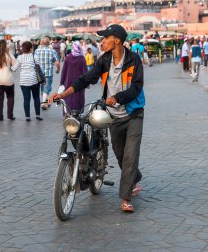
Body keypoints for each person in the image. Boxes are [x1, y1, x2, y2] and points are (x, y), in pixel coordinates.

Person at [49, 24, 145, 213]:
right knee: (120, 154)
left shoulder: (134, 60)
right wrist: (64, 94)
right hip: (113, 116)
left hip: (133, 114)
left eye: (105, 38)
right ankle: (134, 176)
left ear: (116, 40)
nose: (102, 42)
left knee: (130, 155)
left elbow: (136, 87)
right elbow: (86, 79)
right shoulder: (104, 60)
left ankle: (125, 198)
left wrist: (117, 98)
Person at [11, 41, 42, 121]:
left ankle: (27, 117)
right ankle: (38, 115)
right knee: (36, 98)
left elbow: (14, 69)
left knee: (26, 99)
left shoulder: (20, 57)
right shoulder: (34, 56)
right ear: (31, 48)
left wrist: (9, 66)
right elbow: (38, 68)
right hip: (34, 80)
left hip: (24, 82)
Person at [59, 41, 87, 112]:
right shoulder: (82, 58)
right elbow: (85, 72)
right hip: (79, 82)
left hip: (68, 81)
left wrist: (62, 81)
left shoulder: (68, 57)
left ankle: (67, 112)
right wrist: (86, 83)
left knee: (68, 96)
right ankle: (78, 112)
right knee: (78, 97)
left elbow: (64, 71)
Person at [34, 37, 60, 110]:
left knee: (43, 87)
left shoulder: (37, 51)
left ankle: (45, 100)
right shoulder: (52, 51)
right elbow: (57, 62)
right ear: (48, 43)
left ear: (41, 43)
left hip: (39, 73)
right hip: (48, 73)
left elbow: (35, 61)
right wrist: (58, 69)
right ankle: (44, 103)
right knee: (47, 87)